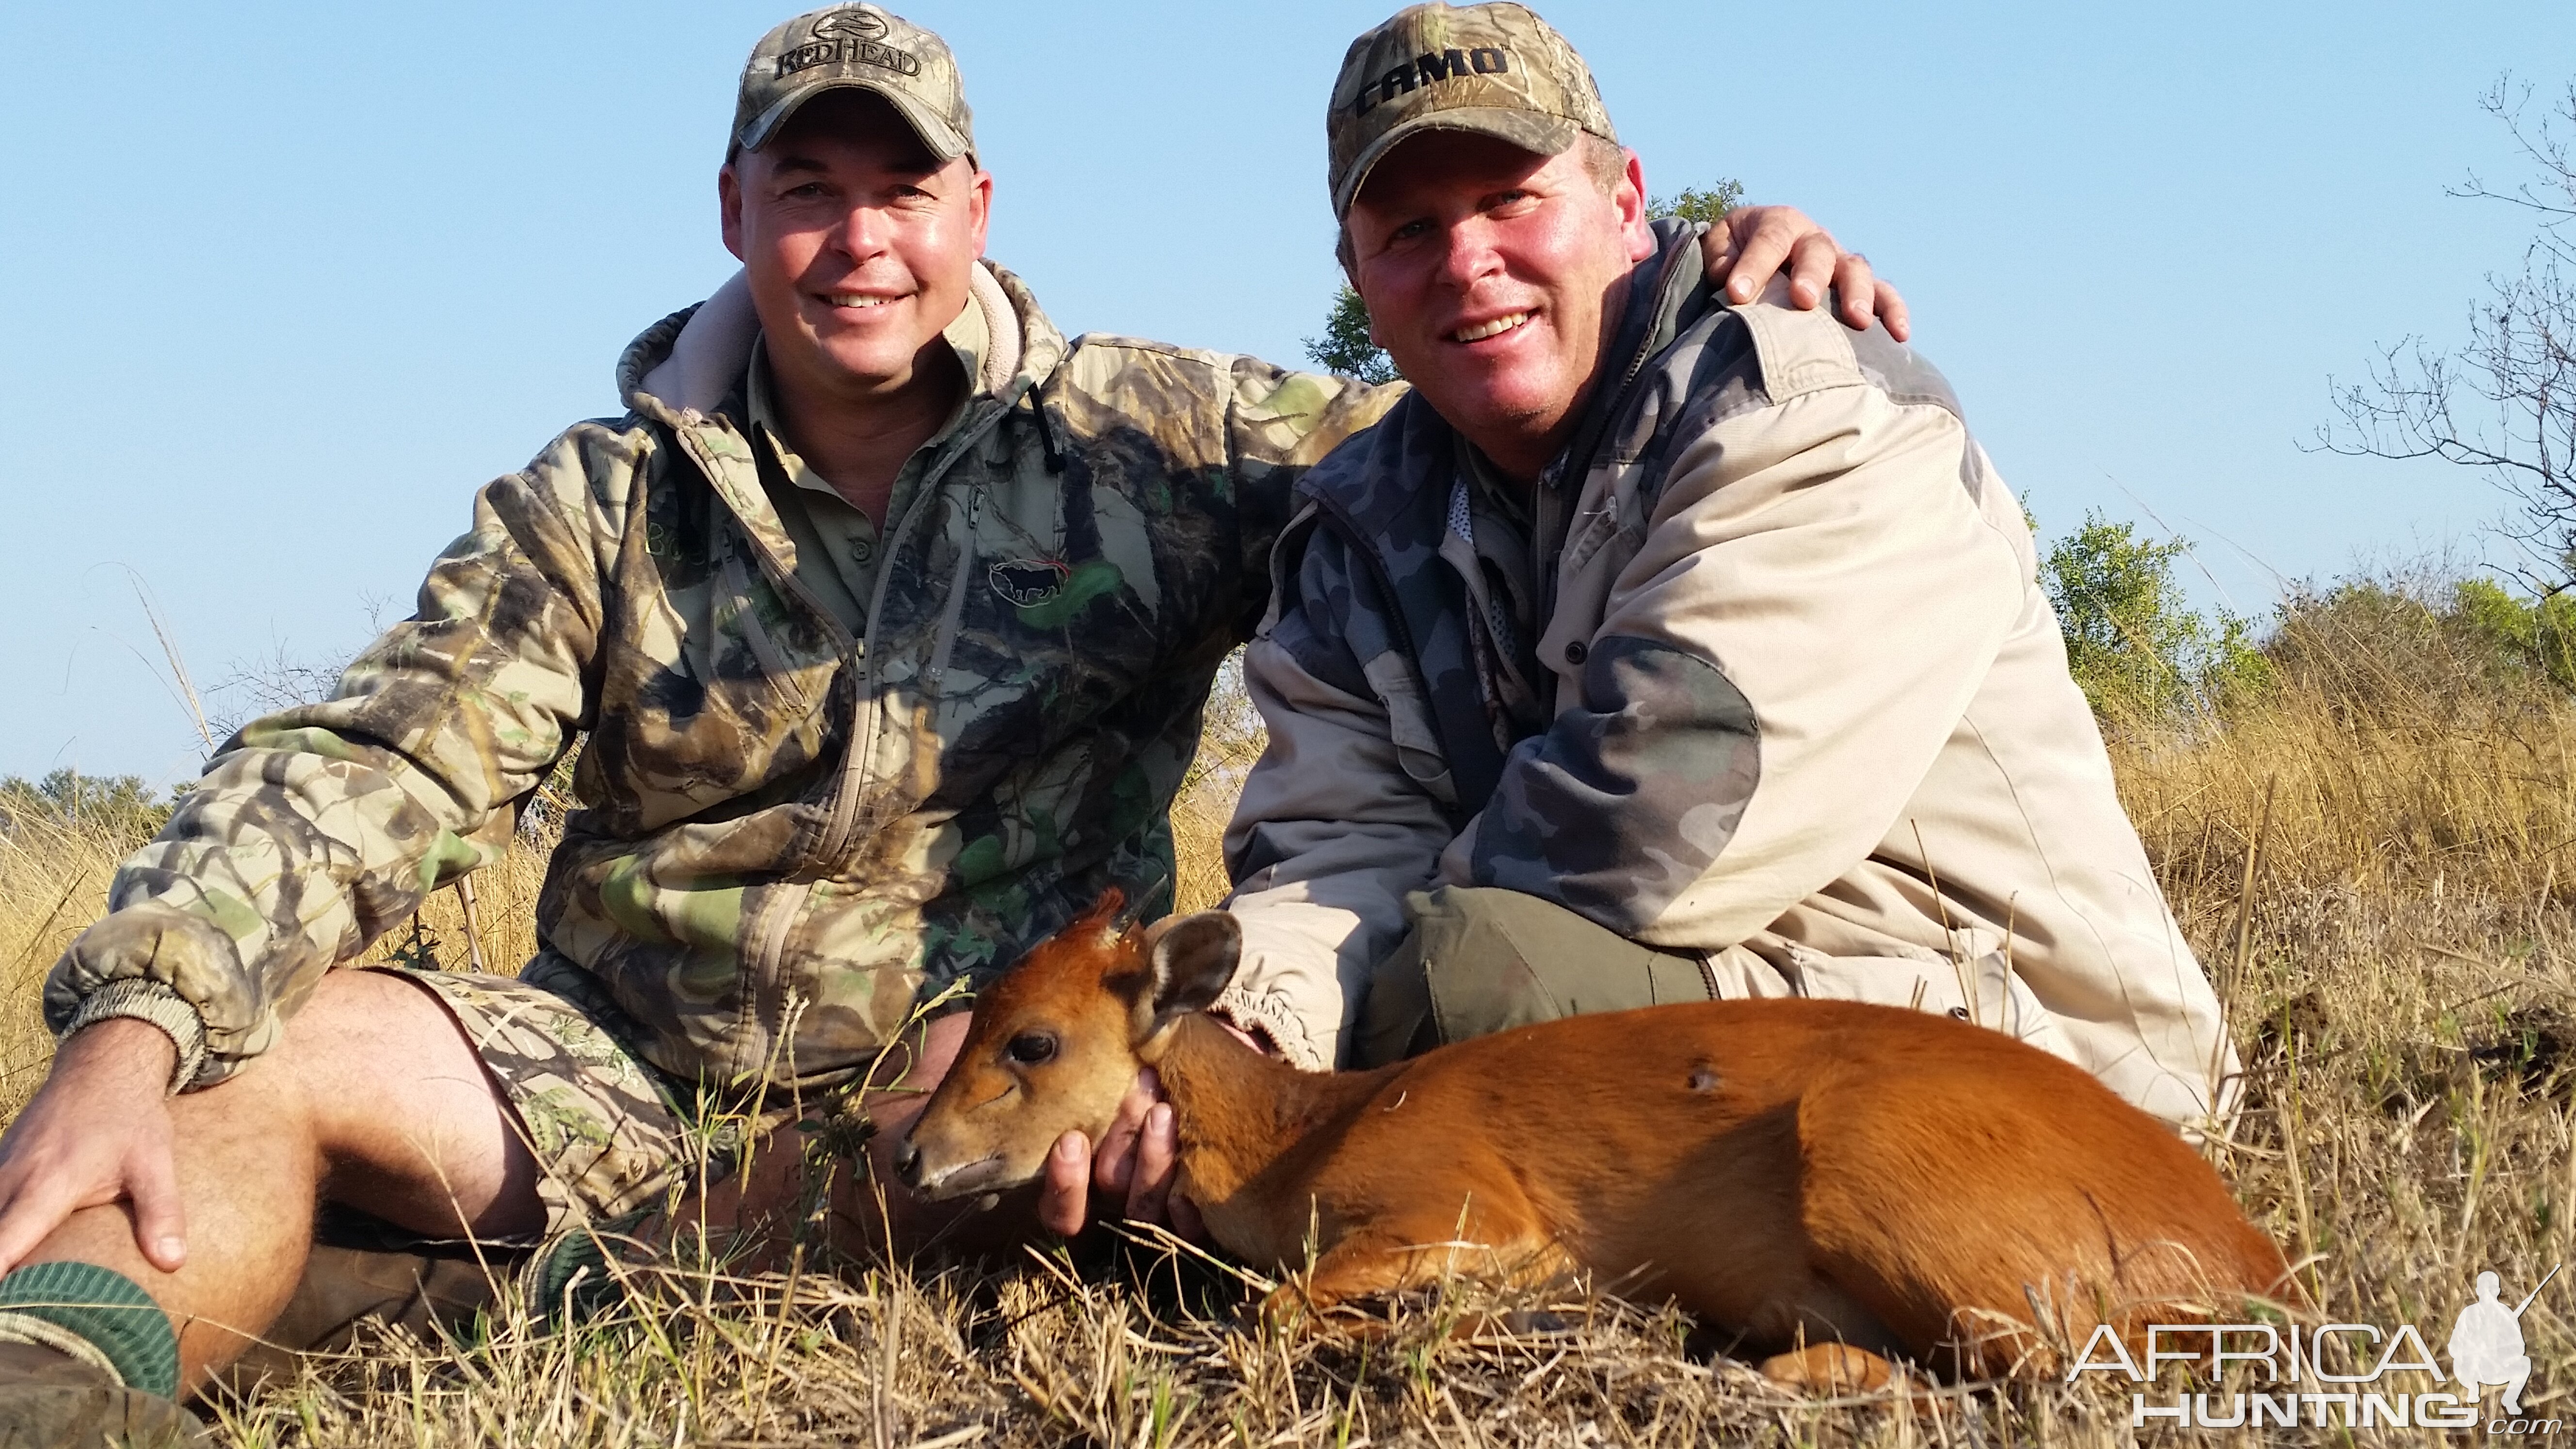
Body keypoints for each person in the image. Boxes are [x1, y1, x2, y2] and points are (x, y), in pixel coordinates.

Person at [0, 5, 1900, 1439]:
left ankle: (460, 1321)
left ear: (972, 209)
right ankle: (55, 1378)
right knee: (244, 1055)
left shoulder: (1163, 441)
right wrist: (139, 1018)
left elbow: (1475, 414)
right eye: (805, 195)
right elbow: (377, 758)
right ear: (732, 212)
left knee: (946, 1097)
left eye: (899, 191)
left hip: (955, 1097)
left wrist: (1693, 293)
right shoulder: (591, 505)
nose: (857, 245)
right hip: (597, 1065)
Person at [1216, 1, 2238, 1136]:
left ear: (1624, 204)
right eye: (1408, 229)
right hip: (1703, 1006)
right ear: (1354, 271)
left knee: (1464, 983)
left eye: (1512, 200)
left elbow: (1659, 814)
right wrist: (1245, 1024)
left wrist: (1329, 1037)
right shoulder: (1364, 519)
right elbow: (1333, 848)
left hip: (2022, 1060)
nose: (1468, 262)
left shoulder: (1804, 399)